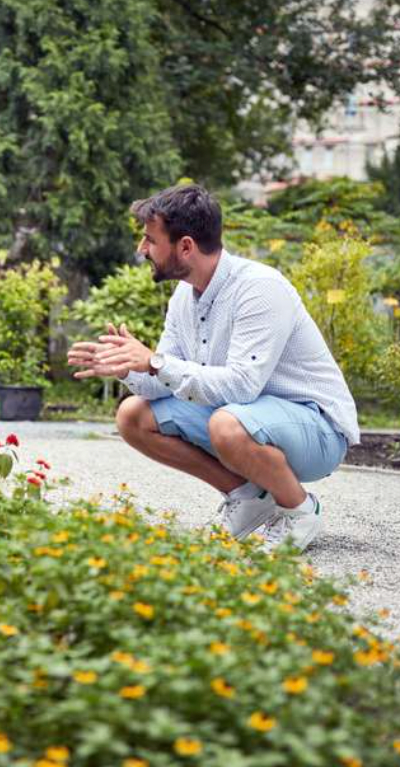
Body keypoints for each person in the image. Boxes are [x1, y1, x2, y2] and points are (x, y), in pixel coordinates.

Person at [68, 184, 359, 552]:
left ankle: (299, 509)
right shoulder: (183, 297)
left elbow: (240, 388)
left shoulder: (259, 288)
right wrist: (126, 368)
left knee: (227, 423)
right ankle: (248, 497)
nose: (142, 250)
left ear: (185, 246)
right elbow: (165, 381)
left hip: (317, 429)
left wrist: (156, 361)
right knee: (133, 416)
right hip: (245, 420)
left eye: (150, 240)